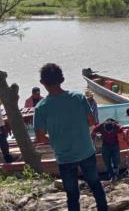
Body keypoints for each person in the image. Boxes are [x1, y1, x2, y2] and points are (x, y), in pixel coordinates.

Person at [33, 63, 107, 211]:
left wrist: (54, 139)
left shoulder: (41, 107)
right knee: (95, 185)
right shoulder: (78, 97)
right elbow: (91, 121)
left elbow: (40, 138)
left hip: (64, 157)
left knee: (72, 195)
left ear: (42, 83)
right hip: (86, 151)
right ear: (63, 79)